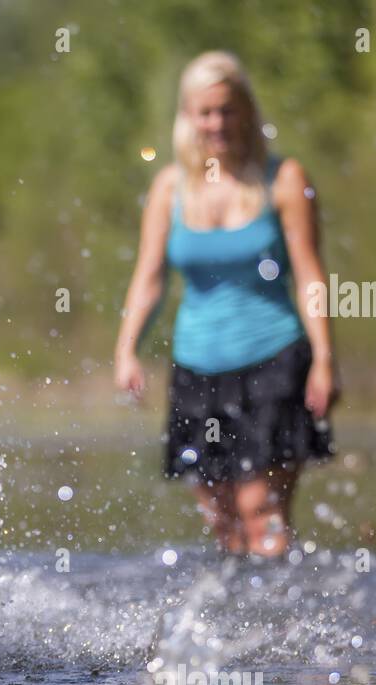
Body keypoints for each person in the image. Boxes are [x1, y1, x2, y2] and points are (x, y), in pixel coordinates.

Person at [115, 50, 338, 556]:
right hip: (197, 371)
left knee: (263, 515)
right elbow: (150, 278)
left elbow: (309, 275)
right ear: (188, 118)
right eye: (205, 112)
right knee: (225, 527)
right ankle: (240, 632)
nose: (217, 123)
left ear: (247, 112)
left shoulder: (283, 180)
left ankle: (284, 624)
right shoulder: (169, 188)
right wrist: (127, 347)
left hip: (275, 361)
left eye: (227, 109)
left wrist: (324, 359)